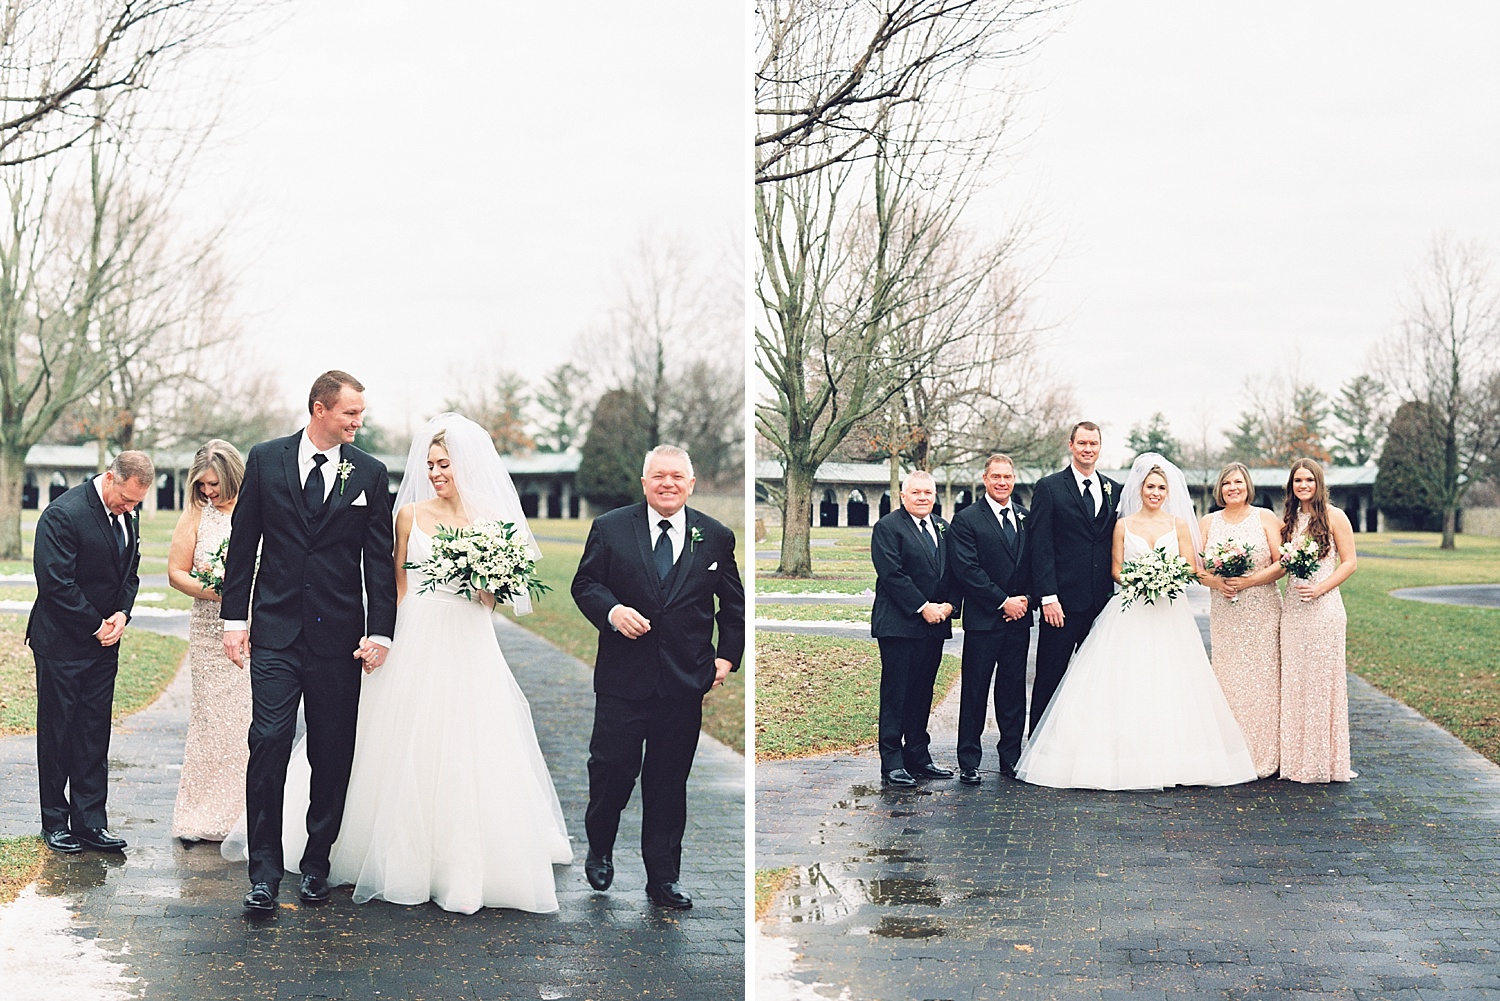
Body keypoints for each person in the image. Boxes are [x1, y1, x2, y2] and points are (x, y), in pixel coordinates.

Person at [221, 370, 397, 913]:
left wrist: (381, 631)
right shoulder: (265, 459)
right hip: (274, 633)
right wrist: (234, 620)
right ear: (320, 409)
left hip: (339, 640)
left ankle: (317, 863)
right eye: (350, 413)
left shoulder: (369, 472)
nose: (358, 422)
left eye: (360, 413)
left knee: (331, 751)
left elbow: (378, 561)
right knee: (268, 741)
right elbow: (245, 543)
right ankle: (264, 874)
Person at [1015, 454, 1257, 791]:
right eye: (1150, 487)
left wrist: (1167, 576)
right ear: (1140, 490)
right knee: (1124, 680)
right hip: (1132, 610)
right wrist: (1140, 579)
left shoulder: (1179, 525)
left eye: (1161, 488)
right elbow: (1116, 568)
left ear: (1168, 492)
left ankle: (1175, 759)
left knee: (1173, 681)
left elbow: (1190, 566)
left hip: (1169, 612)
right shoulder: (1124, 524)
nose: (1155, 492)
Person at [570, 445, 744, 910]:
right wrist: (612, 611)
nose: (668, 483)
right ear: (644, 482)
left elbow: (733, 605)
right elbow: (584, 584)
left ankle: (663, 879)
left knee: (668, 784)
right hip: (622, 680)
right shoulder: (610, 528)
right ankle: (600, 845)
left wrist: (727, 658)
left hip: (684, 683)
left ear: (691, 483)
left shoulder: (716, 535)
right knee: (611, 773)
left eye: (677, 476)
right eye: (658, 476)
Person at [29, 450, 153, 854]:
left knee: (93, 732)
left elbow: (130, 571)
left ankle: (90, 822)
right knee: (58, 732)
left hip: (105, 644)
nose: (130, 508)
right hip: (61, 644)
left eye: (137, 503)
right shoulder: (63, 514)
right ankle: (55, 821)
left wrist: (121, 614)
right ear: (111, 476)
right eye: (128, 499)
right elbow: (55, 584)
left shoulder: (127, 513)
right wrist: (95, 624)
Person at [167, 440, 251, 843]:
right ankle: (200, 816)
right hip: (208, 629)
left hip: (255, 629)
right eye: (201, 485)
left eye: (214, 484)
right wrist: (219, 590)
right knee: (211, 722)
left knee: (249, 726)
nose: (207, 492)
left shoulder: (259, 510)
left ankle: (244, 818)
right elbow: (175, 573)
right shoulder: (198, 515)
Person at [1026, 422, 1123, 729]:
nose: (1087, 449)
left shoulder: (1113, 490)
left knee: (1096, 679)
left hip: (1101, 604)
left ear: (1099, 447)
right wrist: (1048, 597)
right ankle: (1037, 746)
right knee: (1050, 675)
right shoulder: (1050, 487)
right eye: (1082, 443)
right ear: (1070, 445)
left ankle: (1086, 743)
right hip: (1062, 604)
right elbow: (1039, 546)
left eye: (1093, 443)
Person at [868, 470, 958, 788]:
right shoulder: (888, 527)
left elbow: (955, 572)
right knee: (897, 694)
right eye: (916, 492)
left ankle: (918, 755)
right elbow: (892, 574)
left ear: (935, 496)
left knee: (922, 693)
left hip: (935, 626)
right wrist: (924, 607)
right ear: (903, 496)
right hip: (899, 624)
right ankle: (892, 762)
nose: (923, 497)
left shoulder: (944, 528)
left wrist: (949, 605)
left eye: (928, 493)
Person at [947, 453, 1032, 784]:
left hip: (1019, 621)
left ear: (1013, 479)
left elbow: (1035, 564)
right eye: (995, 476)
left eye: (1007, 477)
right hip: (984, 621)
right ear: (985, 479)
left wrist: (1026, 599)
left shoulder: (1026, 517)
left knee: (1012, 693)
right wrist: (1002, 601)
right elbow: (967, 570)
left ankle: (1010, 758)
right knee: (975, 691)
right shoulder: (967, 519)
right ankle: (968, 760)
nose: (1002, 482)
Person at [1197, 462, 1284, 778]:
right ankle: (1231, 752)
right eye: (1227, 483)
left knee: (1263, 679)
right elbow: (1194, 568)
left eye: (1238, 482)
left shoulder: (1265, 517)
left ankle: (1266, 753)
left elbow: (1282, 563)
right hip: (1226, 612)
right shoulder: (1207, 522)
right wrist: (1217, 582)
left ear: (1247, 486)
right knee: (1229, 678)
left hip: (1262, 609)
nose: (1233, 488)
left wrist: (1249, 581)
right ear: (1220, 489)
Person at [1278, 458, 1358, 783]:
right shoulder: (1288, 521)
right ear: (1291, 486)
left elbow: (1350, 562)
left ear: (1318, 483)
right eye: (1298, 481)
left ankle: (1323, 761)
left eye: (1309, 480)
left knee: (1323, 684)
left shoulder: (1335, 517)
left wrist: (1321, 588)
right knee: (1296, 683)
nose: (1303, 486)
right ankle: (1296, 761)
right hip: (1294, 610)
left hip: (1325, 609)